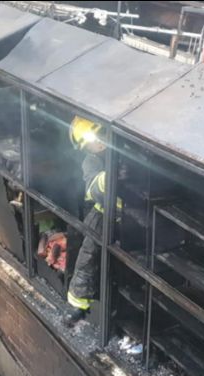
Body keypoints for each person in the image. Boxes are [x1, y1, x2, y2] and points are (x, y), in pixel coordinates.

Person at [62, 116, 120, 326]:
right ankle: (78, 305)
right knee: (88, 256)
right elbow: (94, 188)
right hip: (102, 214)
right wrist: (111, 176)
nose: (97, 143)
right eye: (90, 143)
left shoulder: (121, 147)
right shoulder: (92, 161)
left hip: (130, 217)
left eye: (97, 137)